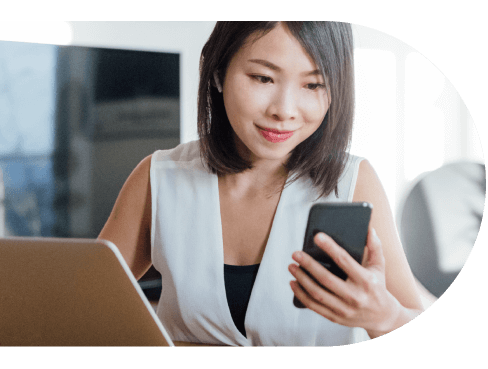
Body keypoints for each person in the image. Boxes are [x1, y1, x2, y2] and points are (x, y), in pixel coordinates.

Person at [98, 21, 424, 347]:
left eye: (312, 85)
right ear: (217, 72)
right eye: (262, 78)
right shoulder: (160, 178)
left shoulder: (353, 183)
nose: (284, 110)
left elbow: (407, 315)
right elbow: (81, 308)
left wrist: (386, 317)